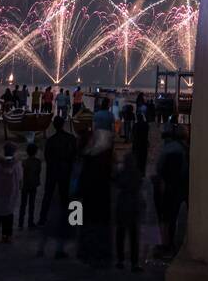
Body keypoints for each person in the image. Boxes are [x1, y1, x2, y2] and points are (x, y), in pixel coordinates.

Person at [77, 126, 114, 267]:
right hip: (101, 199)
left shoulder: (87, 157)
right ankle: (100, 253)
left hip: (89, 198)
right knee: (100, 227)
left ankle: (87, 251)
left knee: (88, 225)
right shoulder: (103, 160)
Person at [154, 125, 188, 257]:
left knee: (165, 216)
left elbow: (159, 167)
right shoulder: (185, 149)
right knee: (173, 216)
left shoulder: (167, 149)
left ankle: (166, 244)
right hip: (179, 186)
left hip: (167, 187)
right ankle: (171, 243)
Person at [38, 115, 77, 227]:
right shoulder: (71, 138)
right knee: (65, 195)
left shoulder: (51, 141)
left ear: (54, 126)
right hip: (66, 170)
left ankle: (42, 219)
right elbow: (74, 154)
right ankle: (69, 221)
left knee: (48, 195)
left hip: (53, 170)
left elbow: (47, 157)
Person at [115, 151, 143, 272]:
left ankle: (120, 260)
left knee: (120, 235)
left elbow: (117, 183)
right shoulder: (137, 174)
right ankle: (134, 262)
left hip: (122, 206)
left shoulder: (121, 174)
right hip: (133, 206)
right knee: (133, 236)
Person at [0, 143, 22, 243]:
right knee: (9, 216)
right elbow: (19, 181)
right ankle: (7, 235)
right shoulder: (17, 166)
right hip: (11, 197)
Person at [20, 142, 41, 230]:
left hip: (25, 185)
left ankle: (20, 222)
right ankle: (30, 222)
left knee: (23, 204)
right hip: (33, 184)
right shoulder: (38, 162)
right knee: (31, 205)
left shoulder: (24, 162)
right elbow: (38, 172)